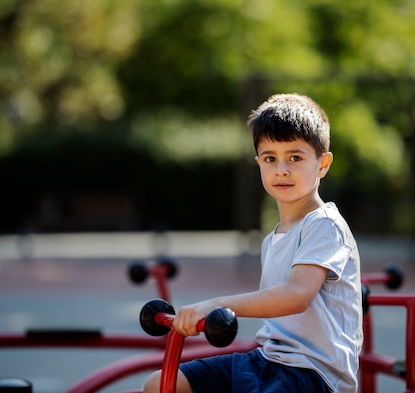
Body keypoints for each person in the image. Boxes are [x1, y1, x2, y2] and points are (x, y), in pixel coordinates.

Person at [143, 93, 362, 393]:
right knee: (161, 384)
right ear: (258, 162)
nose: (281, 170)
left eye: (295, 158)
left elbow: (297, 294)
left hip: (313, 374)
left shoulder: (323, 224)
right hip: (268, 360)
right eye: (270, 158)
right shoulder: (273, 237)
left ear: (323, 164)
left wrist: (217, 304)